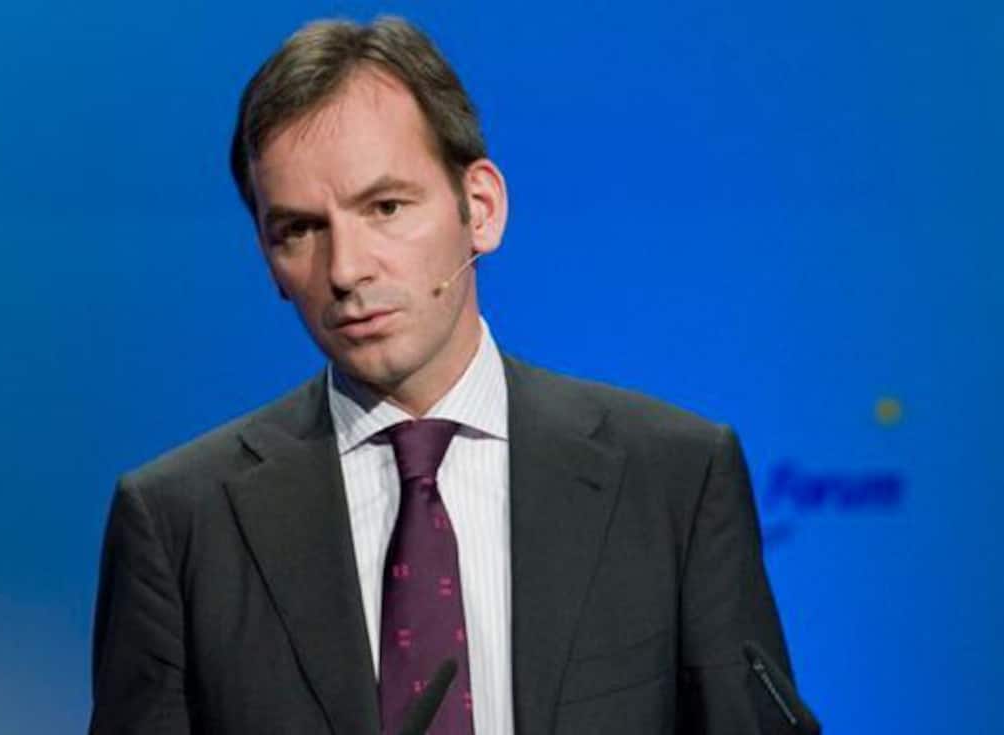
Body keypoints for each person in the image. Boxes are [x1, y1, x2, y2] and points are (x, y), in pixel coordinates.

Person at [89, 15, 794, 735]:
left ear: (479, 209)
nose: (346, 269)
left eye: (385, 207)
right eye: (299, 229)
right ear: (269, 260)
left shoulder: (673, 478)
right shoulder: (181, 523)